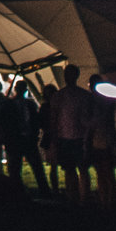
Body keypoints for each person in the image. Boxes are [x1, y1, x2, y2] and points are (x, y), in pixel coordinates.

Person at [47, 66, 95, 203]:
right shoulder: (83, 95)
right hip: (76, 137)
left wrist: (54, 137)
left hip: (69, 137)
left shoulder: (59, 96)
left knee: (72, 169)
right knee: (79, 169)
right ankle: (81, 196)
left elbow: (54, 118)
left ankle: (74, 196)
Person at [86, 78, 116, 210]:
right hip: (106, 139)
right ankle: (109, 199)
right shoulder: (108, 101)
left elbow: (93, 122)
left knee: (101, 172)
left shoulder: (93, 102)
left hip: (99, 140)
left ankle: (105, 199)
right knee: (107, 172)